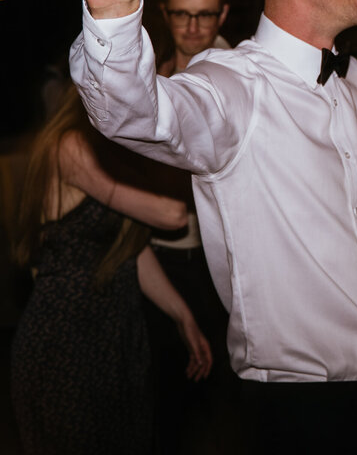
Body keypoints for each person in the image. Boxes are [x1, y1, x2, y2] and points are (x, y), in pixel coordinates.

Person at [60, 0, 357, 454]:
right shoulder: (230, 88)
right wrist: (114, 9)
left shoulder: (356, 82)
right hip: (302, 414)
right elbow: (136, 113)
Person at [10, 87, 212, 455]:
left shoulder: (117, 152)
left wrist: (183, 316)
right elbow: (172, 215)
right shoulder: (69, 145)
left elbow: (129, 253)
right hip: (66, 338)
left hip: (116, 335)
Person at [148, 0, 240, 454]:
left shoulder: (237, 77)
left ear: (222, 15)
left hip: (215, 261)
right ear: (165, 14)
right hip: (158, 254)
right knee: (166, 398)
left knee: (218, 398)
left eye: (204, 15)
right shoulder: (157, 71)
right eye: (181, 14)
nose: (192, 27)